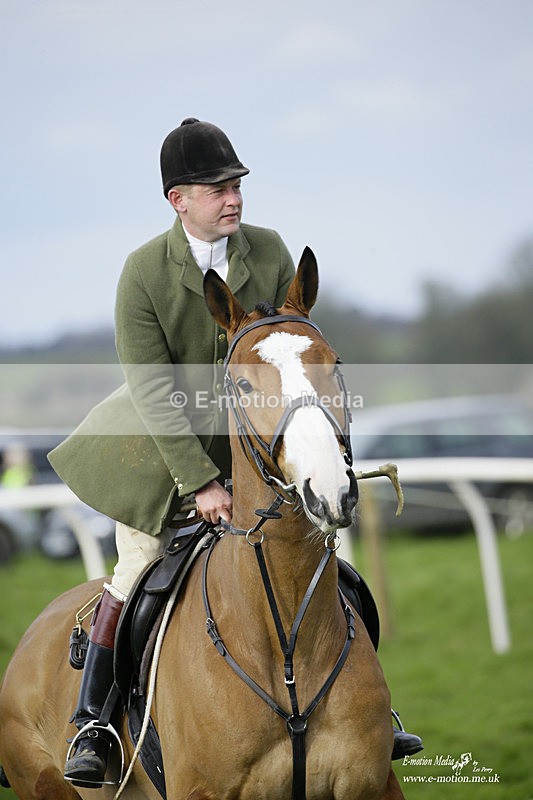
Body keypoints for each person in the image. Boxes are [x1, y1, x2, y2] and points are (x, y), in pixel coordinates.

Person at [49, 118, 422, 787]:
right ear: (177, 201)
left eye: (236, 184)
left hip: (261, 456)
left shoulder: (270, 250)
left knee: (334, 576)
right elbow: (152, 391)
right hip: (161, 457)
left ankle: (372, 717)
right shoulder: (141, 274)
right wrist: (200, 485)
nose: (233, 197)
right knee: (136, 574)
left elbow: (291, 347)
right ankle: (95, 723)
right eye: (217, 187)